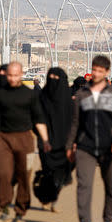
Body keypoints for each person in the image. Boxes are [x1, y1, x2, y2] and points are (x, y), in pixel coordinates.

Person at [0, 62, 51, 222]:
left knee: (24, 176)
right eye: (9, 75)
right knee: (3, 174)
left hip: (25, 140)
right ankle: (4, 209)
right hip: (3, 139)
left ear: (21, 74)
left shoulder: (30, 95)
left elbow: (39, 119)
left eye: (15, 75)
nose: (12, 79)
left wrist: (45, 140)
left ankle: (20, 211)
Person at [66, 55, 112, 222]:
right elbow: (75, 122)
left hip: (110, 147)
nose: (96, 73)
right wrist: (70, 145)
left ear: (106, 72)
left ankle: (108, 220)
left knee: (111, 185)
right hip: (86, 146)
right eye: (94, 70)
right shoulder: (82, 94)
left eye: (100, 71)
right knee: (84, 184)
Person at [37, 67, 72, 213]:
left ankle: (54, 198)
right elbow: (37, 118)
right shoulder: (42, 97)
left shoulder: (69, 101)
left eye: (56, 78)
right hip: (45, 141)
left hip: (64, 143)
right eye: (50, 77)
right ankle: (46, 199)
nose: (53, 82)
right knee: (47, 170)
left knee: (60, 173)